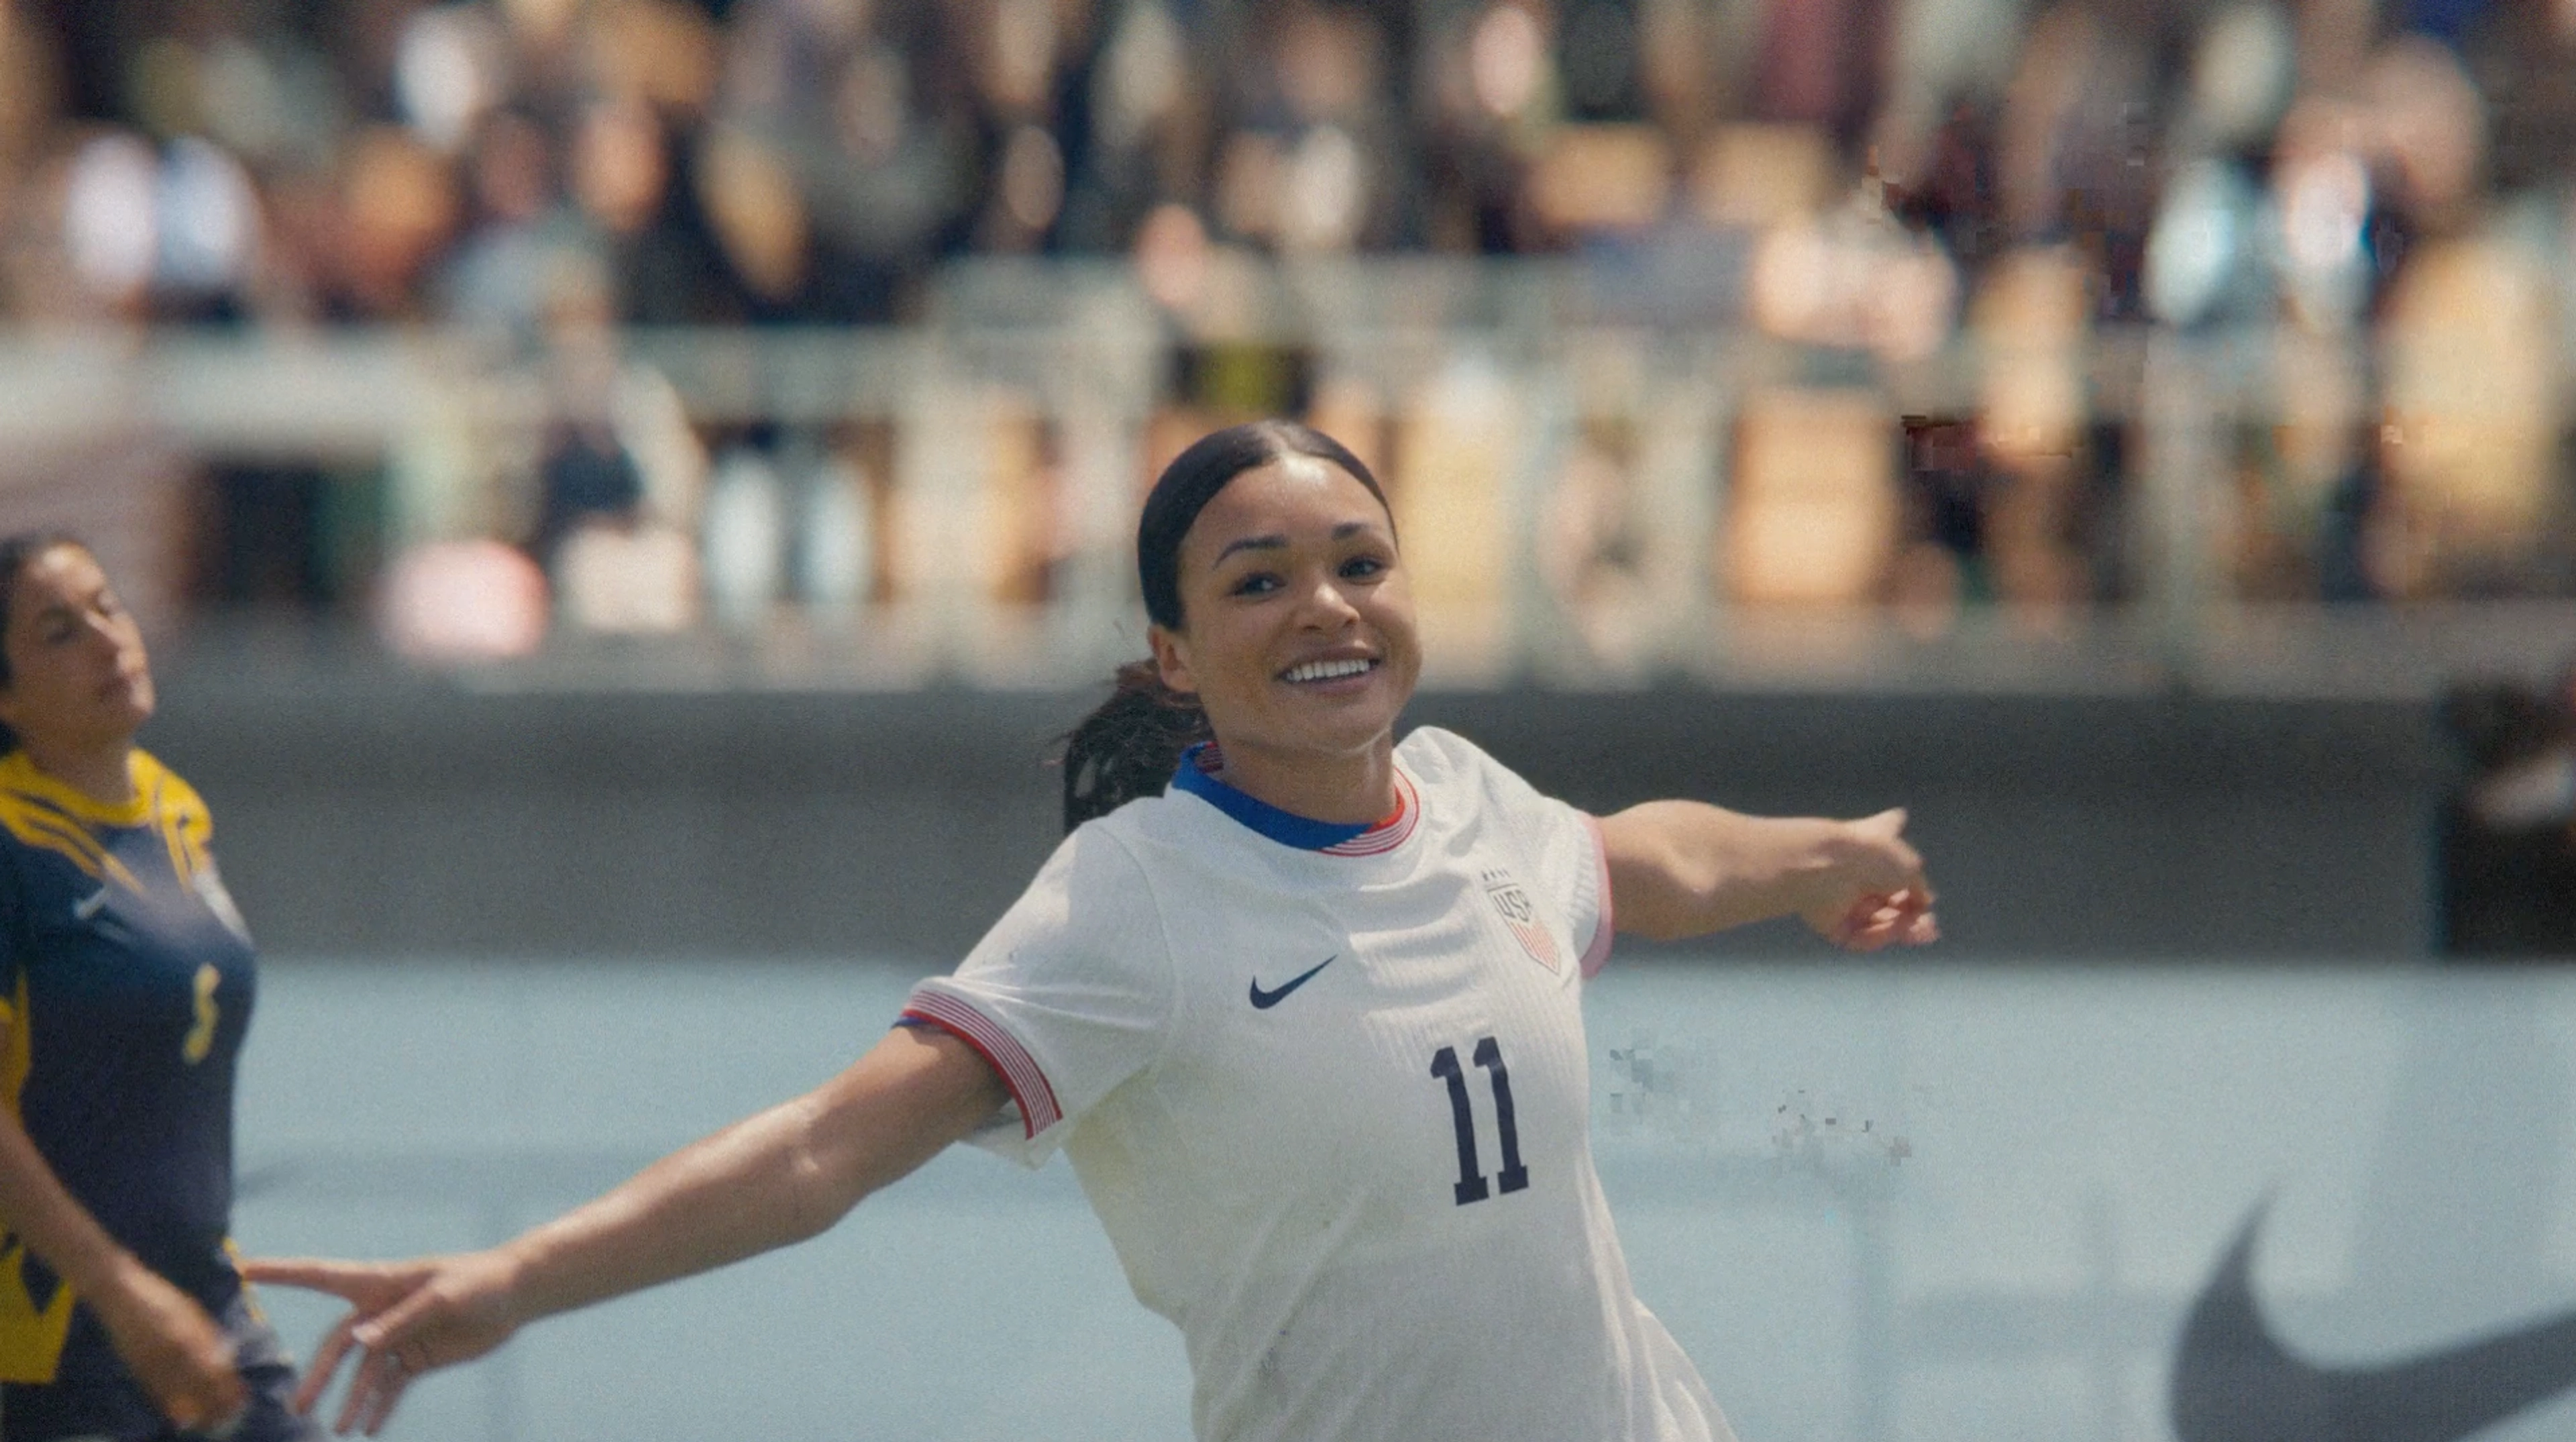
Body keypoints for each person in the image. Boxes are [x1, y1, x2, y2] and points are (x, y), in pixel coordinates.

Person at [250, 421, 1939, 1441]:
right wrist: (513, 1280)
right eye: (1259, 579)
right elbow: (824, 1150)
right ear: (1175, 657)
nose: (1328, 604)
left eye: (1361, 561)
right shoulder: (1138, 898)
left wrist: (1820, 858)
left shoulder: (1471, 799)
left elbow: (1644, 859)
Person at [0, 535, 319, 1441]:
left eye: (107, 606)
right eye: (60, 631)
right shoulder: (12, 845)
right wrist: (116, 1288)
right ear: (6, 696)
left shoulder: (174, 807)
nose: (107, 639)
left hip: (206, 1316)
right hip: (60, 1343)